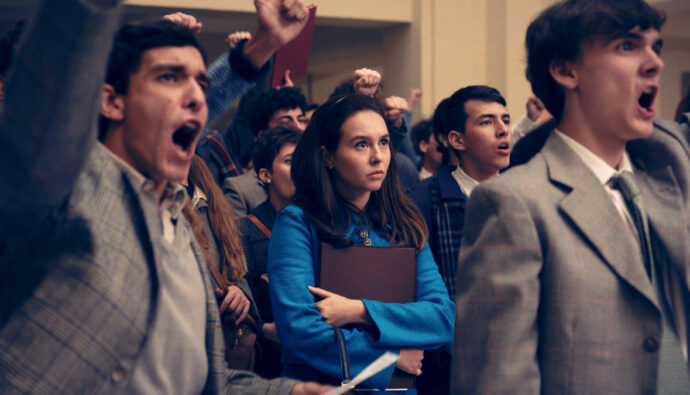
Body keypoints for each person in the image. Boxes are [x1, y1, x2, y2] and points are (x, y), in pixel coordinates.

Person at [0, 0, 332, 393]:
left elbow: (206, 383)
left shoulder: (184, 236)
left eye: (201, 85)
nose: (196, 97)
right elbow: (50, 108)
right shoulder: (65, 191)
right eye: (169, 77)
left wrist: (290, 391)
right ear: (109, 100)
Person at [452, 0, 690, 393]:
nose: (655, 63)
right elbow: (498, 383)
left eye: (656, 48)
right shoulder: (515, 203)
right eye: (627, 46)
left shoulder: (671, 178)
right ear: (565, 70)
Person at [267, 94, 455, 391]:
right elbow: (299, 329)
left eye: (383, 142)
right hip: (321, 387)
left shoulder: (404, 222)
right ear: (328, 156)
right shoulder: (298, 222)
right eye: (361, 144)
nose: (377, 156)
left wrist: (361, 311)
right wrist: (391, 357)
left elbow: (442, 317)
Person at [408, 85, 511, 395]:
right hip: (450, 367)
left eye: (505, 119)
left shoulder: (528, 195)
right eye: (487, 122)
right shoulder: (421, 204)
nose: (503, 130)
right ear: (456, 140)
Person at [183, 156, 261, 369]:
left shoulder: (209, 197)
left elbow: (236, 265)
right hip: (187, 334)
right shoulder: (155, 198)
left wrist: (240, 293)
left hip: (224, 335)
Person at [240, 126, 302, 378]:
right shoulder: (245, 232)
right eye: (289, 161)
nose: (300, 168)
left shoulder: (323, 224)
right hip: (270, 362)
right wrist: (265, 328)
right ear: (265, 175)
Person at [222, 86, 307, 217]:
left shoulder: (316, 174)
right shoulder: (240, 189)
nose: (298, 127)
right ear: (262, 135)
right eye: (286, 121)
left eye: (301, 120)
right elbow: (235, 236)